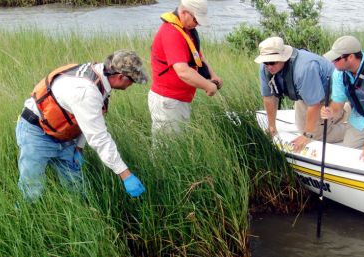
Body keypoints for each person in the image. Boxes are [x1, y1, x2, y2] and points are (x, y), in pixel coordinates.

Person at [15, 49, 148, 202]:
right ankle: (22, 217)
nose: (131, 85)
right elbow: (99, 138)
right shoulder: (86, 91)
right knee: (32, 190)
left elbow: (86, 118)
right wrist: (126, 175)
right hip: (36, 132)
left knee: (76, 188)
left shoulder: (99, 77)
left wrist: (78, 147)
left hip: (64, 137)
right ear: (120, 77)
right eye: (132, 80)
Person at [255, 36, 349, 153]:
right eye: (265, 62)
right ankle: (341, 113)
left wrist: (307, 135)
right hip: (305, 94)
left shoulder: (304, 68)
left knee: (316, 136)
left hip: (330, 94)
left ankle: (354, 126)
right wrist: (272, 127)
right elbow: (269, 97)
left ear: (283, 58)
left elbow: (314, 104)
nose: (269, 66)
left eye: (272, 62)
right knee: (301, 128)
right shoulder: (265, 68)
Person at [148, 0, 223, 136]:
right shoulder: (171, 33)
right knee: (167, 151)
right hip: (168, 102)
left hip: (178, 100)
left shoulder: (186, 29)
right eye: (196, 19)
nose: (198, 23)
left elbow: (197, 55)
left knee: (178, 146)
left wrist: (213, 76)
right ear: (183, 12)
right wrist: (208, 86)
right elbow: (183, 72)